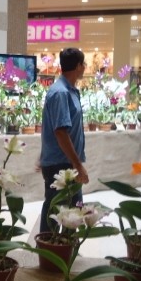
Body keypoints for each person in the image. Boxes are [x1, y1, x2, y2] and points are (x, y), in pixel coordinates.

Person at [39, 48, 89, 233]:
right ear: (78, 66)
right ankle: (48, 254)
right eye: (83, 64)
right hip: (61, 164)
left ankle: (66, 251)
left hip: (67, 162)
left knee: (73, 212)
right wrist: (78, 166)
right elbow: (60, 132)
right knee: (55, 212)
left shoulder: (69, 91)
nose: (84, 67)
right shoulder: (61, 93)